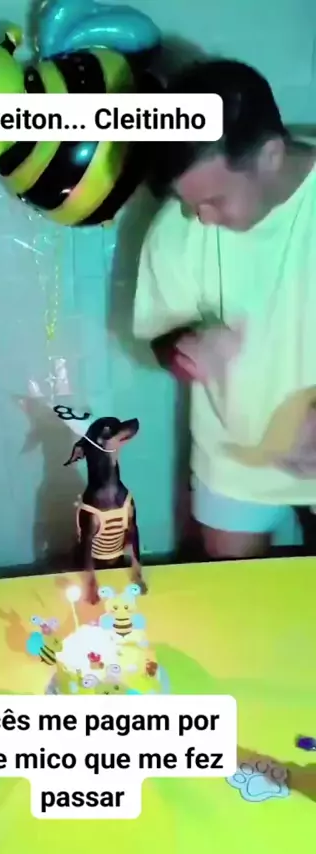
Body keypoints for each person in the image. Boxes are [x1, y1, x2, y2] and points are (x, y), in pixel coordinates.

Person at [133, 58, 316, 560]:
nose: (202, 218)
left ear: (271, 156)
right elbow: (162, 341)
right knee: (234, 598)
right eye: (189, 202)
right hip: (232, 464)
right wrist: (186, 350)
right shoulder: (176, 227)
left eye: (216, 199)